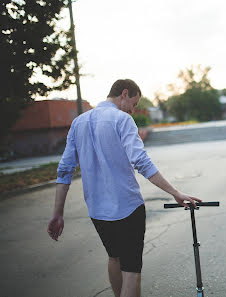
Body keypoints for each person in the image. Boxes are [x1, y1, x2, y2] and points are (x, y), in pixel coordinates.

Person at [47, 79, 201, 297]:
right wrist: (175, 193)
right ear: (124, 94)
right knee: (131, 271)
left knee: (114, 257)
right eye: (134, 103)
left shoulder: (78, 123)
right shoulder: (122, 119)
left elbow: (64, 170)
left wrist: (58, 214)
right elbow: (142, 162)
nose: (133, 109)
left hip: (97, 210)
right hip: (128, 208)